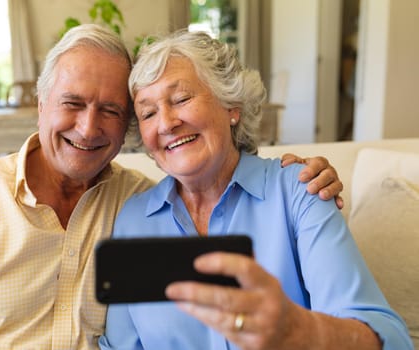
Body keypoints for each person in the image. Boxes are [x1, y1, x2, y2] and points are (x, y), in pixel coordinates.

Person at [0, 24, 341, 349]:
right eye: (72, 104)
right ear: (41, 105)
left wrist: (296, 178)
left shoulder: (142, 208)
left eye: (111, 110)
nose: (88, 129)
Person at [99, 30, 413, 350]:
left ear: (231, 106)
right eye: (148, 113)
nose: (165, 124)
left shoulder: (299, 190)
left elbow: (392, 341)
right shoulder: (132, 221)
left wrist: (301, 331)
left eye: (181, 99)